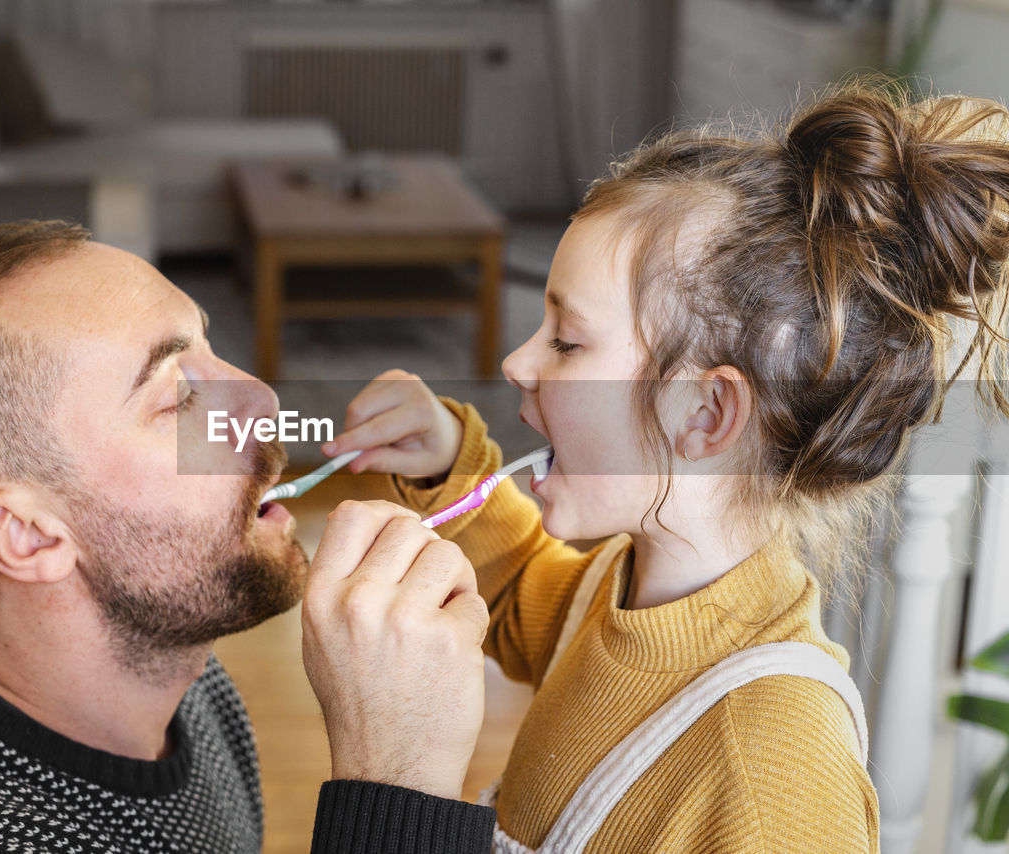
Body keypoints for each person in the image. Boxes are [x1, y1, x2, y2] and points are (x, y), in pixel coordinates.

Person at [319, 85, 1009, 852]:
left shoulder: (773, 777)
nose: (517, 362)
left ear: (705, 415)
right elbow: (515, 593)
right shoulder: (616, 591)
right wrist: (452, 462)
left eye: (566, 341)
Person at [0, 221, 494, 853]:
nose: (261, 402)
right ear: (24, 534)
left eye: (209, 348)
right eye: (177, 394)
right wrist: (398, 781)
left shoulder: (181, 671)